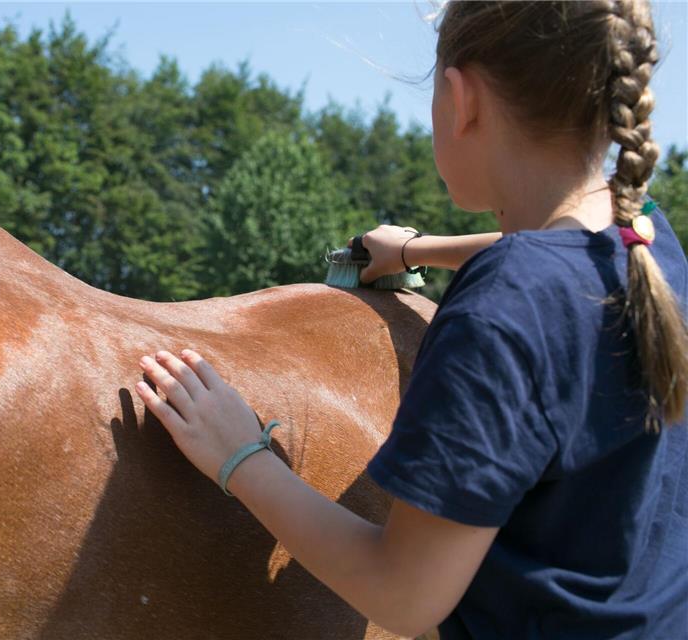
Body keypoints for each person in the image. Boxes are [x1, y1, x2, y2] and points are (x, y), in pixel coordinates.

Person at [134, 1, 688, 637]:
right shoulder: (651, 245)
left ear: (461, 99)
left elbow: (402, 597)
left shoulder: (507, 306)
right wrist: (417, 250)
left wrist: (240, 454)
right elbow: (564, 261)